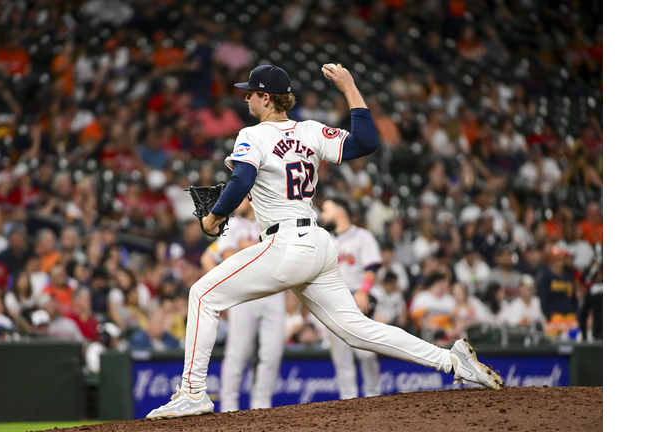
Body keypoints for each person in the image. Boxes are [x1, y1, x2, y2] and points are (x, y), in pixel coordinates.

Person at [146, 64, 502, 420]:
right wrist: (349, 86)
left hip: (285, 243)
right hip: (317, 242)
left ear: (266, 97)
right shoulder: (311, 131)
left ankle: (192, 393)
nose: (246, 97)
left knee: (203, 295)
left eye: (251, 92)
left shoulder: (252, 135)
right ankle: (452, 361)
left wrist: (214, 218)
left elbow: (240, 181)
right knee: (357, 331)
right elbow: (366, 142)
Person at [201, 197, 285, 412]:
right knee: (238, 352)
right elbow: (229, 257)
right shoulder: (232, 224)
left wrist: (246, 246)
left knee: (272, 353)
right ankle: (229, 406)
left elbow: (281, 252)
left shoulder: (272, 217)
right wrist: (262, 246)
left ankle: (262, 404)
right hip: (244, 294)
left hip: (273, 293)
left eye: (240, 197)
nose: (235, 201)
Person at [319, 197, 383, 400]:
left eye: (326, 210)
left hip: (357, 298)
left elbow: (372, 267)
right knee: (342, 358)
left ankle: (374, 396)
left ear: (340, 212)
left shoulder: (362, 236)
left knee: (367, 354)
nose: (322, 215)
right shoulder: (323, 239)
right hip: (333, 301)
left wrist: (363, 291)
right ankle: (349, 402)